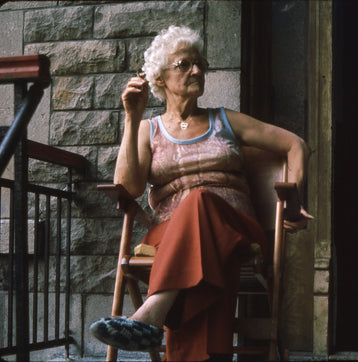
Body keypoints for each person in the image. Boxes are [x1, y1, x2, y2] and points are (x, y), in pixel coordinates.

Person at [90, 25, 311, 361]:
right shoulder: (149, 129)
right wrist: (131, 120)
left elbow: (296, 145)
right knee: (204, 250)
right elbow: (130, 187)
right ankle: (164, 317)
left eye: (199, 64)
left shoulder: (226, 121)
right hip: (173, 238)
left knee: (199, 200)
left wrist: (294, 201)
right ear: (160, 79)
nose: (197, 70)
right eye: (184, 64)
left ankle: (153, 311)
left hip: (236, 229)